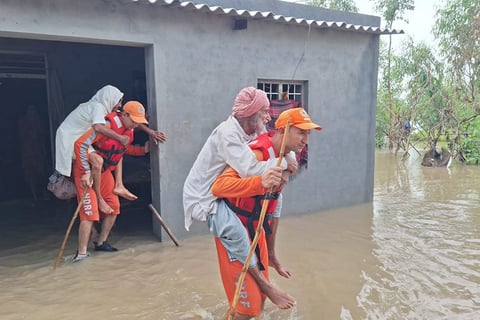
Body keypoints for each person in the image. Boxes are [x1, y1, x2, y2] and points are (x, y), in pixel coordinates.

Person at [211, 107, 322, 319]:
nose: (306, 140)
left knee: (258, 299)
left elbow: (274, 203)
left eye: (308, 134)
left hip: (256, 230)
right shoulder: (257, 152)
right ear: (283, 130)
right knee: (248, 309)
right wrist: (259, 181)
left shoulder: (287, 159)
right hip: (235, 230)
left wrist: (272, 254)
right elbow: (218, 186)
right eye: (301, 133)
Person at [183, 87, 297, 268]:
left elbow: (274, 143)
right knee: (237, 233)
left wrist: (289, 161)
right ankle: (267, 287)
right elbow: (250, 170)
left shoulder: (253, 128)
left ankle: (271, 253)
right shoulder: (227, 133)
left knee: (277, 196)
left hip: (226, 188)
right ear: (251, 114)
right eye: (264, 112)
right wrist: (284, 165)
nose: (268, 117)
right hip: (205, 197)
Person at [54, 85, 166, 212]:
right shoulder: (98, 107)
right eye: (118, 101)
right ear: (109, 99)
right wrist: (120, 138)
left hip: (81, 139)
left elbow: (132, 123)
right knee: (98, 160)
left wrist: (150, 132)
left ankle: (118, 185)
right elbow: (98, 127)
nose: (119, 105)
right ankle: (99, 199)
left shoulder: (110, 114)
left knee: (117, 150)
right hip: (71, 140)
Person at [71, 101, 149, 261]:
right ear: (124, 115)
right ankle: (81, 254)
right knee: (89, 212)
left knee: (114, 206)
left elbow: (121, 150)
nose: (135, 125)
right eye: (133, 121)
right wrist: (86, 172)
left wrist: (143, 150)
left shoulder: (128, 131)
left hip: (104, 171)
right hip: (86, 171)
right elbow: (80, 144)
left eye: (138, 122)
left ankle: (101, 243)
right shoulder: (107, 125)